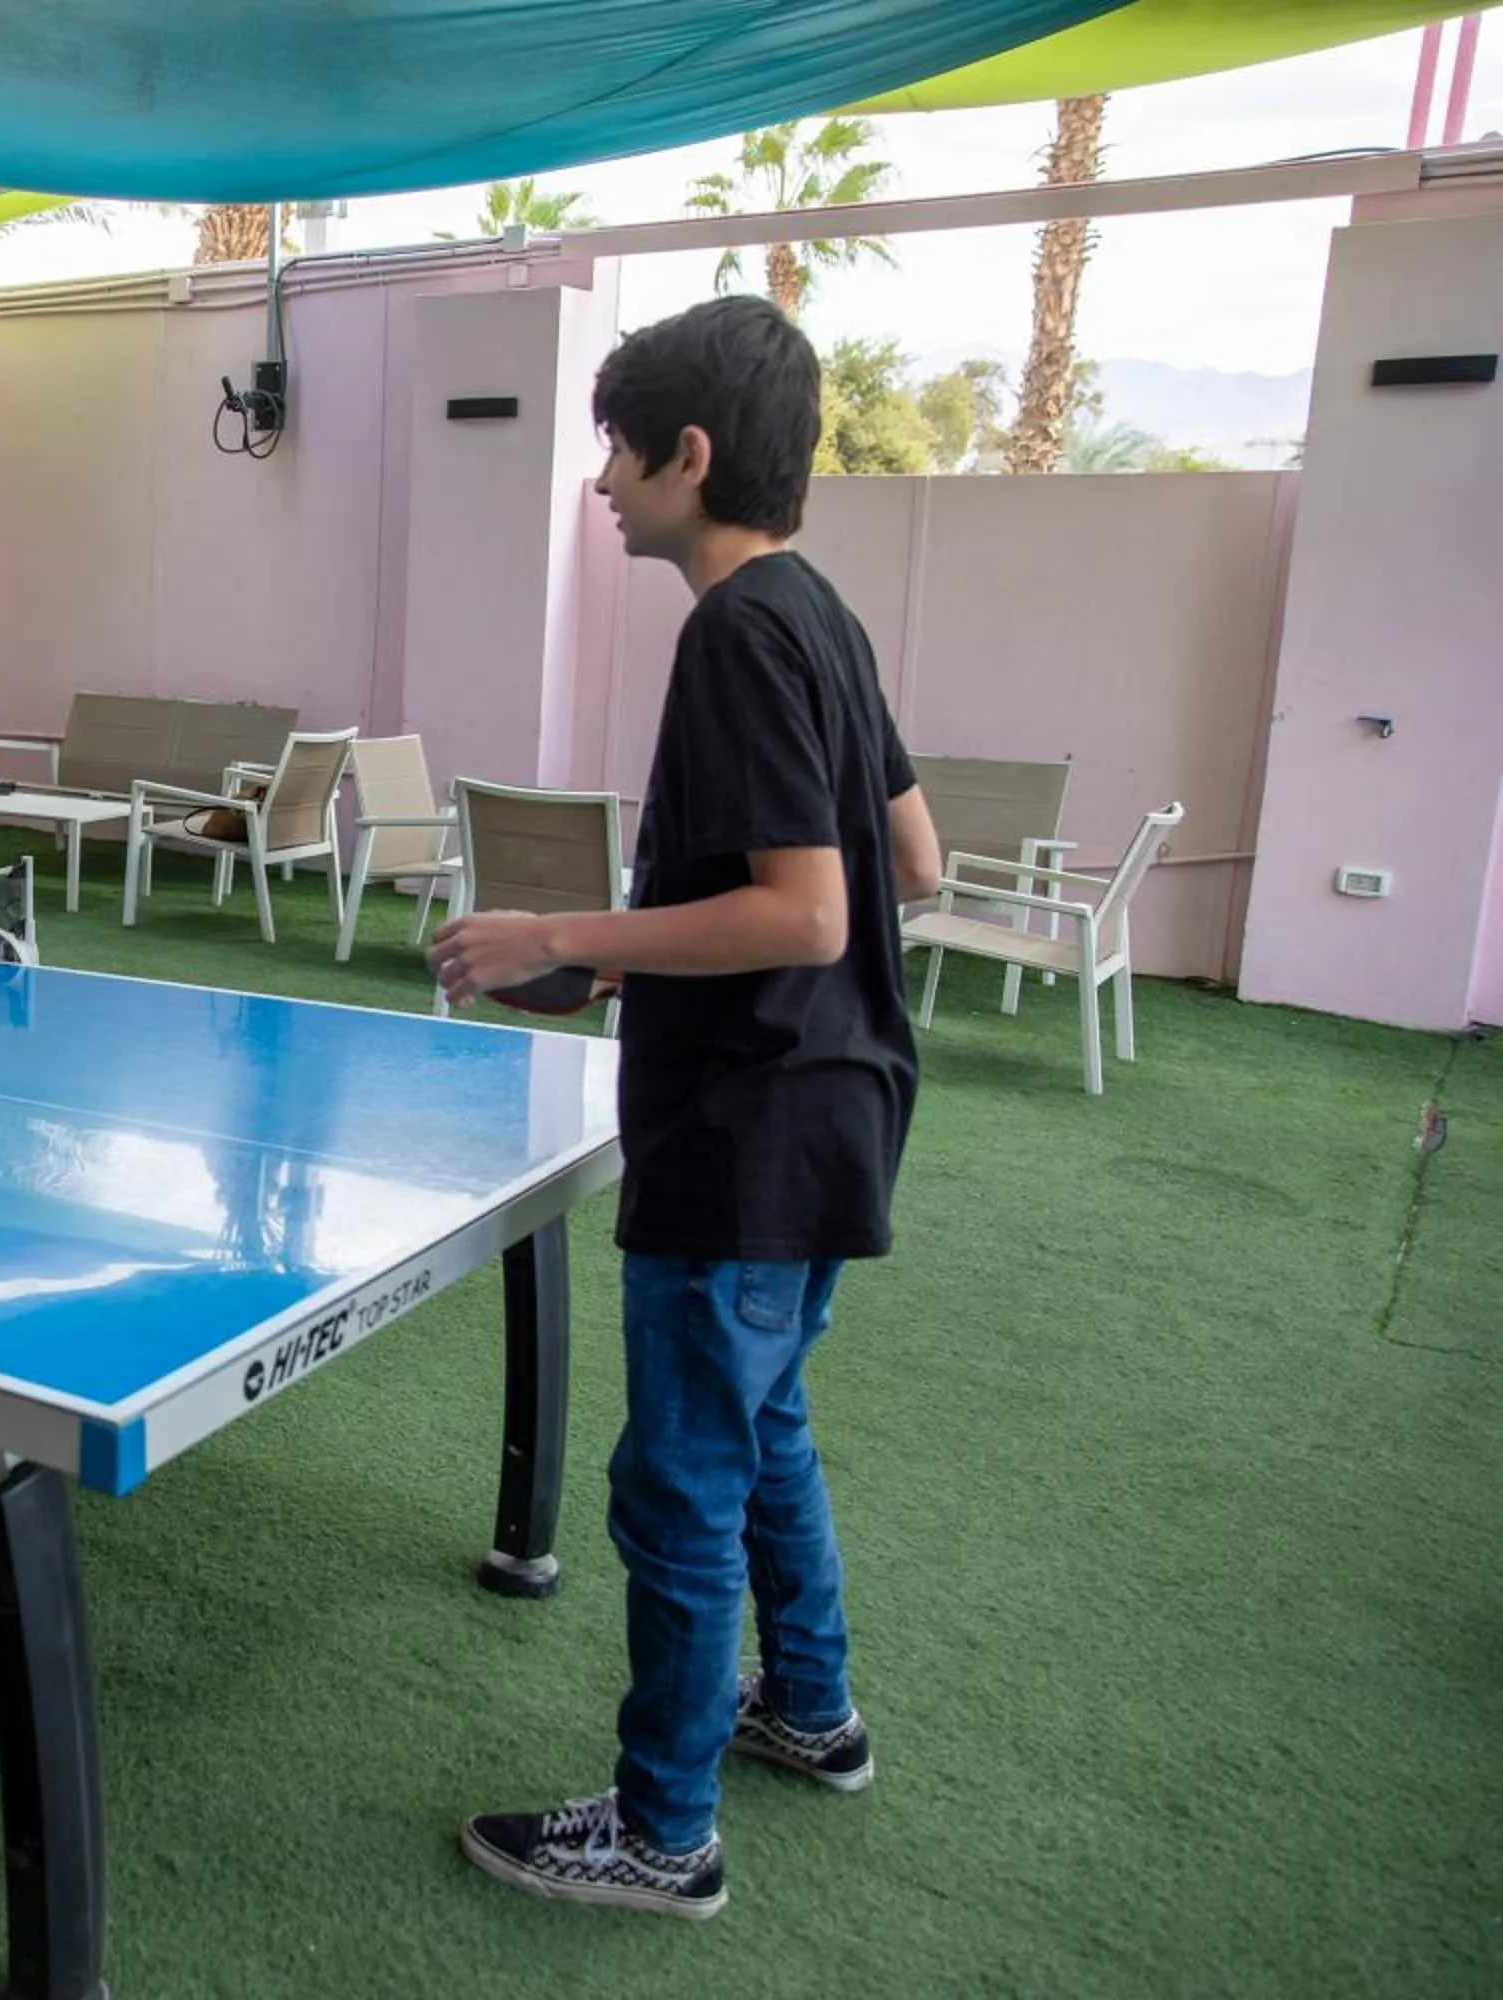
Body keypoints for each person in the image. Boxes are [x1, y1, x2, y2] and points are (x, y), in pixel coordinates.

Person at [425, 296, 941, 1920]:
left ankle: (663, 1832)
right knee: (768, 1430)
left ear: (689, 455)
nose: (599, 482)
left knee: (680, 1491)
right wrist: (643, 961)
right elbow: (912, 862)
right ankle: (811, 1709)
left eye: (615, 451)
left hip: (742, 1142)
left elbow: (809, 912)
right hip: (836, 1120)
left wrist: (560, 934)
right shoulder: (825, 617)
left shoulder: (733, 634)